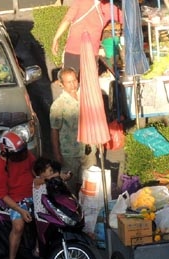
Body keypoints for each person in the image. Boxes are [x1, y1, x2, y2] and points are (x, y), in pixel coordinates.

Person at [0, 132, 36, 259]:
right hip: (16, 200)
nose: (22, 156)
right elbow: (3, 195)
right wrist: (20, 210)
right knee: (18, 226)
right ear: (5, 152)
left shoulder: (24, 154)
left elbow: (36, 168)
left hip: (33, 193)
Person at [50, 67, 96, 195]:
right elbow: (54, 130)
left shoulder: (85, 96)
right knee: (70, 186)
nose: (73, 85)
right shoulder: (58, 105)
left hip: (88, 148)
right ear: (61, 84)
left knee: (90, 183)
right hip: (70, 153)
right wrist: (57, 154)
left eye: (74, 80)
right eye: (69, 82)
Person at [51, 0, 122, 74]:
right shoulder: (109, 7)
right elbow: (127, 20)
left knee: (71, 80)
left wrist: (55, 39)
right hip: (89, 52)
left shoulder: (81, 1)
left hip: (75, 50)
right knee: (88, 82)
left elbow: (67, 19)